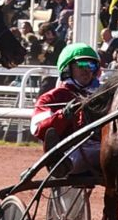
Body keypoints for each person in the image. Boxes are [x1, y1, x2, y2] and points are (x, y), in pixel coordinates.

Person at [31, 43, 104, 175]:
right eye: (81, 65)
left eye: (91, 65)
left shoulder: (103, 94)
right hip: (71, 150)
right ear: (67, 69)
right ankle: (60, 164)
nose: (87, 70)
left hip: (101, 147)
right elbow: (37, 129)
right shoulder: (51, 97)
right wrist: (63, 115)